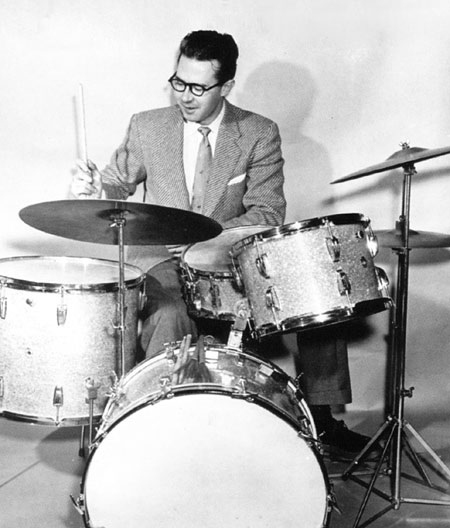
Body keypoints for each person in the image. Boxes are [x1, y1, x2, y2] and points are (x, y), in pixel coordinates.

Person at [70, 29, 373, 459]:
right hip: (161, 260)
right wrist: (94, 187)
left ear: (226, 86)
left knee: (317, 289)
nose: (184, 96)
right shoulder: (147, 125)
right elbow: (117, 185)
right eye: (178, 82)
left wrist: (205, 239)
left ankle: (321, 417)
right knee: (170, 313)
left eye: (198, 87)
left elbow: (267, 212)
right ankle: (156, 427)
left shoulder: (257, 132)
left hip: (229, 259)